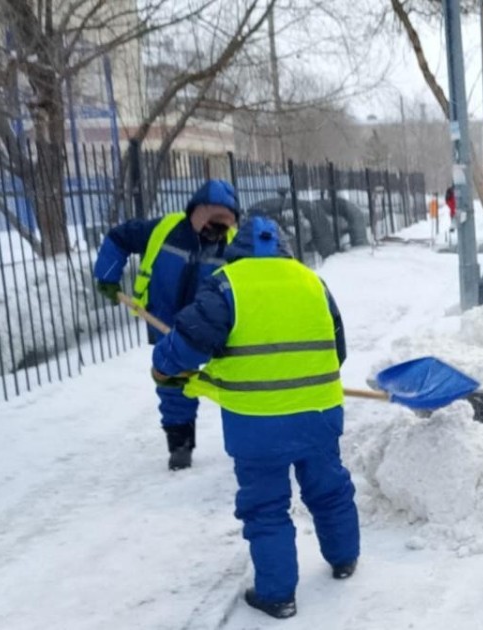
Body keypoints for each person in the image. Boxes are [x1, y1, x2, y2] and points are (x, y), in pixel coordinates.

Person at [151, 216, 359, 620]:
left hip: (256, 423)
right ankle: (344, 558)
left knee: (266, 507)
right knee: (329, 487)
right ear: (283, 248)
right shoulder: (312, 281)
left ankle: (277, 595)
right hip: (319, 412)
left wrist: (163, 366)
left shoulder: (227, 285)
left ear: (238, 248)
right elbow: (339, 347)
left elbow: (189, 345)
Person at [93, 179, 240, 470]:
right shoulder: (164, 231)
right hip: (166, 320)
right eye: (214, 220)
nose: (219, 229)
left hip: (215, 327)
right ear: (197, 212)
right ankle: (180, 442)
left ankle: (250, 439)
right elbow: (119, 238)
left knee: (237, 380)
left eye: (227, 222)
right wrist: (107, 276)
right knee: (172, 378)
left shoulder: (235, 246)